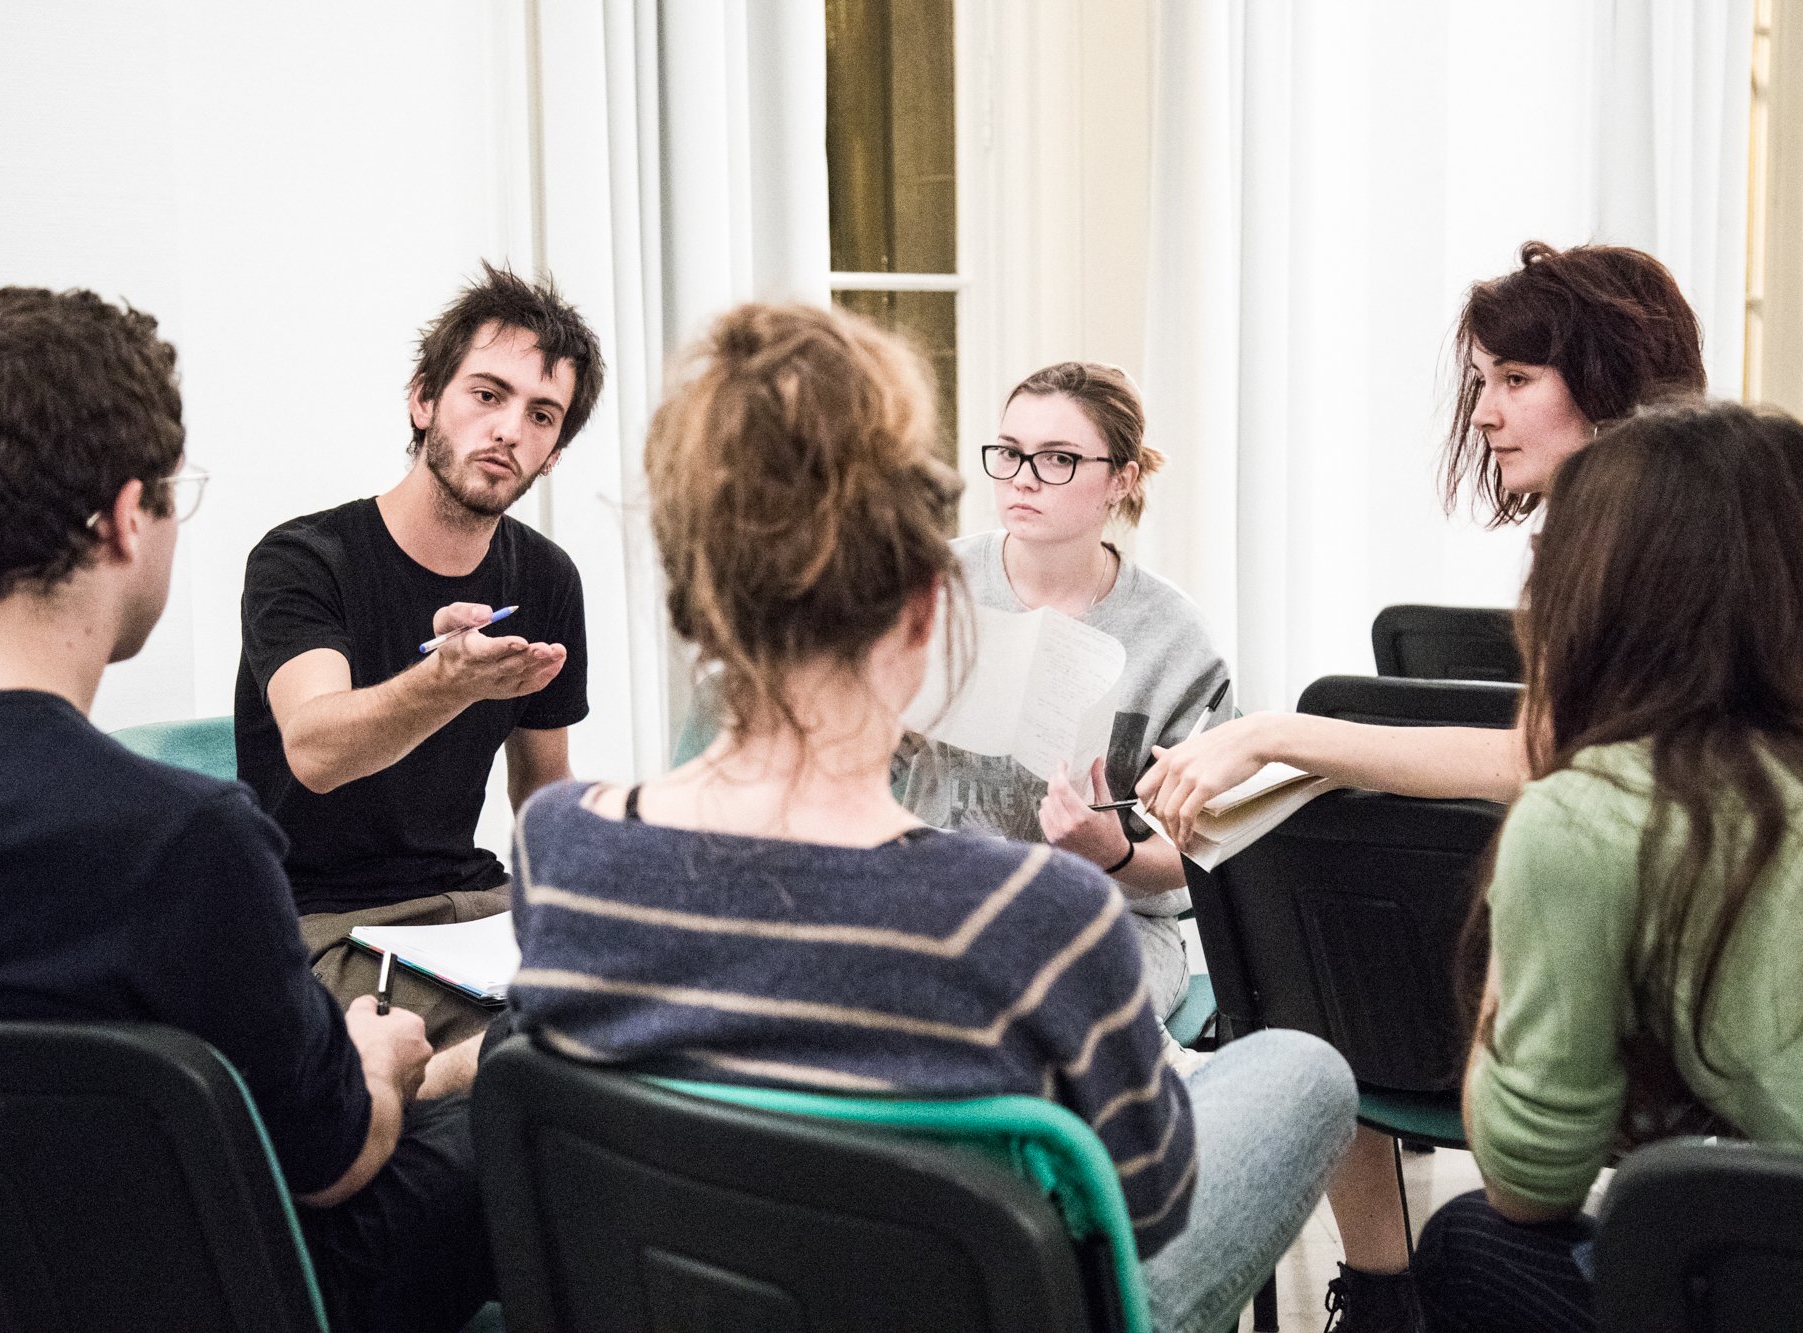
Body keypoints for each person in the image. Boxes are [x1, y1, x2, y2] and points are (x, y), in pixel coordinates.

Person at [502, 302, 1358, 1333]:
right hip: (973, 1299)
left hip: (689, 1289)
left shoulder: (555, 850)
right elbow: (1146, 1208)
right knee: (1304, 1067)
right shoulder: (1031, 918)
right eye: (1011, 459)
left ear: (694, 606)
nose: (1024, 483)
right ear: (926, 615)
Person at [0, 288, 492, 1333]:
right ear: (128, 517)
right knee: (512, 1108)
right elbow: (336, 1165)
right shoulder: (184, 839)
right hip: (193, 1295)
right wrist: (381, 1059)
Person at [1133, 240, 1708, 1331]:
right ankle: (1386, 1291)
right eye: (1479, 381)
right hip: (1602, 917)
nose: (1483, 413)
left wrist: (1281, 733)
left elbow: (1545, 755)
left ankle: (1394, 1291)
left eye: (1514, 380)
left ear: (1609, 373)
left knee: (1321, 930)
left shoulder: (1666, 539)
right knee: (1321, 936)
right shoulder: (1581, 540)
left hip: (1663, 945)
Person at [1410, 401, 1803, 1331]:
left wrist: (1539, 820)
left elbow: (1529, 1182)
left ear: (1601, 590)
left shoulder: (1599, 811)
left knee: (1472, 1241)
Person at [234, 262, 603, 1049]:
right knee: (546, 1046)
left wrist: (591, 908)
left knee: (653, 1000)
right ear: (424, 397)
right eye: (487, 394)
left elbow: (542, 789)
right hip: (324, 924)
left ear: (554, 452)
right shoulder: (303, 560)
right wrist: (446, 681)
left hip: (474, 911)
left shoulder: (545, 575)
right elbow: (316, 749)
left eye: (542, 415)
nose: (509, 429)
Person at [897, 362, 1231, 1027]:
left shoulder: (1175, 638)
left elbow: (1207, 856)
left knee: (1042, 1015)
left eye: (1058, 458)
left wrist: (1116, 851)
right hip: (941, 900)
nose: (1023, 476)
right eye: (1012, 453)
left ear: (1122, 479)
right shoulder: (935, 585)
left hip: (1110, 918)